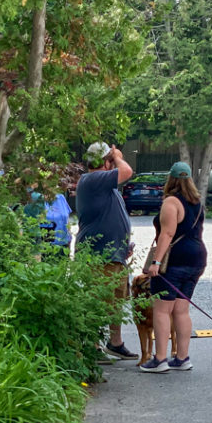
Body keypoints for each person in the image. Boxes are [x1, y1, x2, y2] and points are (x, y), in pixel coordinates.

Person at [140, 162, 207, 373]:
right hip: (197, 258)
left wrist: (156, 263)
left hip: (174, 261)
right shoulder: (196, 202)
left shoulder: (171, 202)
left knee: (161, 310)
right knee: (181, 309)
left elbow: (167, 234)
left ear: (171, 179)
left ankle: (159, 359)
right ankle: (182, 357)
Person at [77, 141, 138, 360]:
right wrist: (118, 156)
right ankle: (92, 346)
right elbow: (127, 171)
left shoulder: (105, 186)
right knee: (98, 301)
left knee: (116, 302)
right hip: (98, 256)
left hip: (114, 254)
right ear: (105, 162)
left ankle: (115, 343)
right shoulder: (92, 179)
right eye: (110, 161)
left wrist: (124, 244)